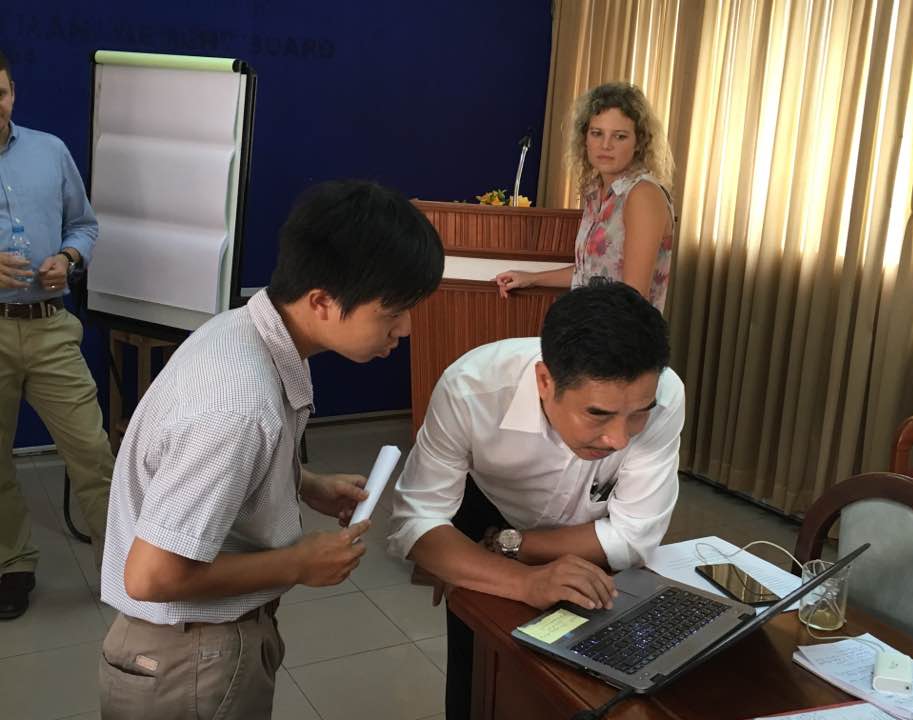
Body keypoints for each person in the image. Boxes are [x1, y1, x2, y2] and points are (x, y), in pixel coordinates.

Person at [98, 180, 444, 720]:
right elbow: (150, 576)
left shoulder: (244, 329)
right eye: (393, 311)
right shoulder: (237, 405)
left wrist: (304, 483)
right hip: (191, 659)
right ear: (322, 301)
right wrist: (298, 562)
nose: (406, 328)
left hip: (192, 648)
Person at [388, 280, 684, 718]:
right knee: (479, 675)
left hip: (576, 537)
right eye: (598, 414)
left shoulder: (664, 395)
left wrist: (512, 546)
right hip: (489, 509)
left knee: (589, 681)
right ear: (545, 381)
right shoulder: (471, 390)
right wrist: (521, 581)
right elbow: (416, 523)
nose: (620, 439)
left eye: (638, 414)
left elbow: (633, 535)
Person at [0, 50, 115, 620]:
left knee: (92, 452)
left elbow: (84, 224)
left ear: (12, 92)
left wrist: (69, 258)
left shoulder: (49, 150)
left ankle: (122, 566)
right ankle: (11, 565)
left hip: (49, 327)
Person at [495, 82, 675, 312]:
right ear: (585, 139)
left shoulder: (643, 194)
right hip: (585, 324)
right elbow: (590, 273)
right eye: (597, 133)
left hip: (620, 331)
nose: (606, 145)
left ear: (639, 143)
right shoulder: (597, 192)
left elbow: (632, 296)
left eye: (620, 136)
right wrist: (531, 278)